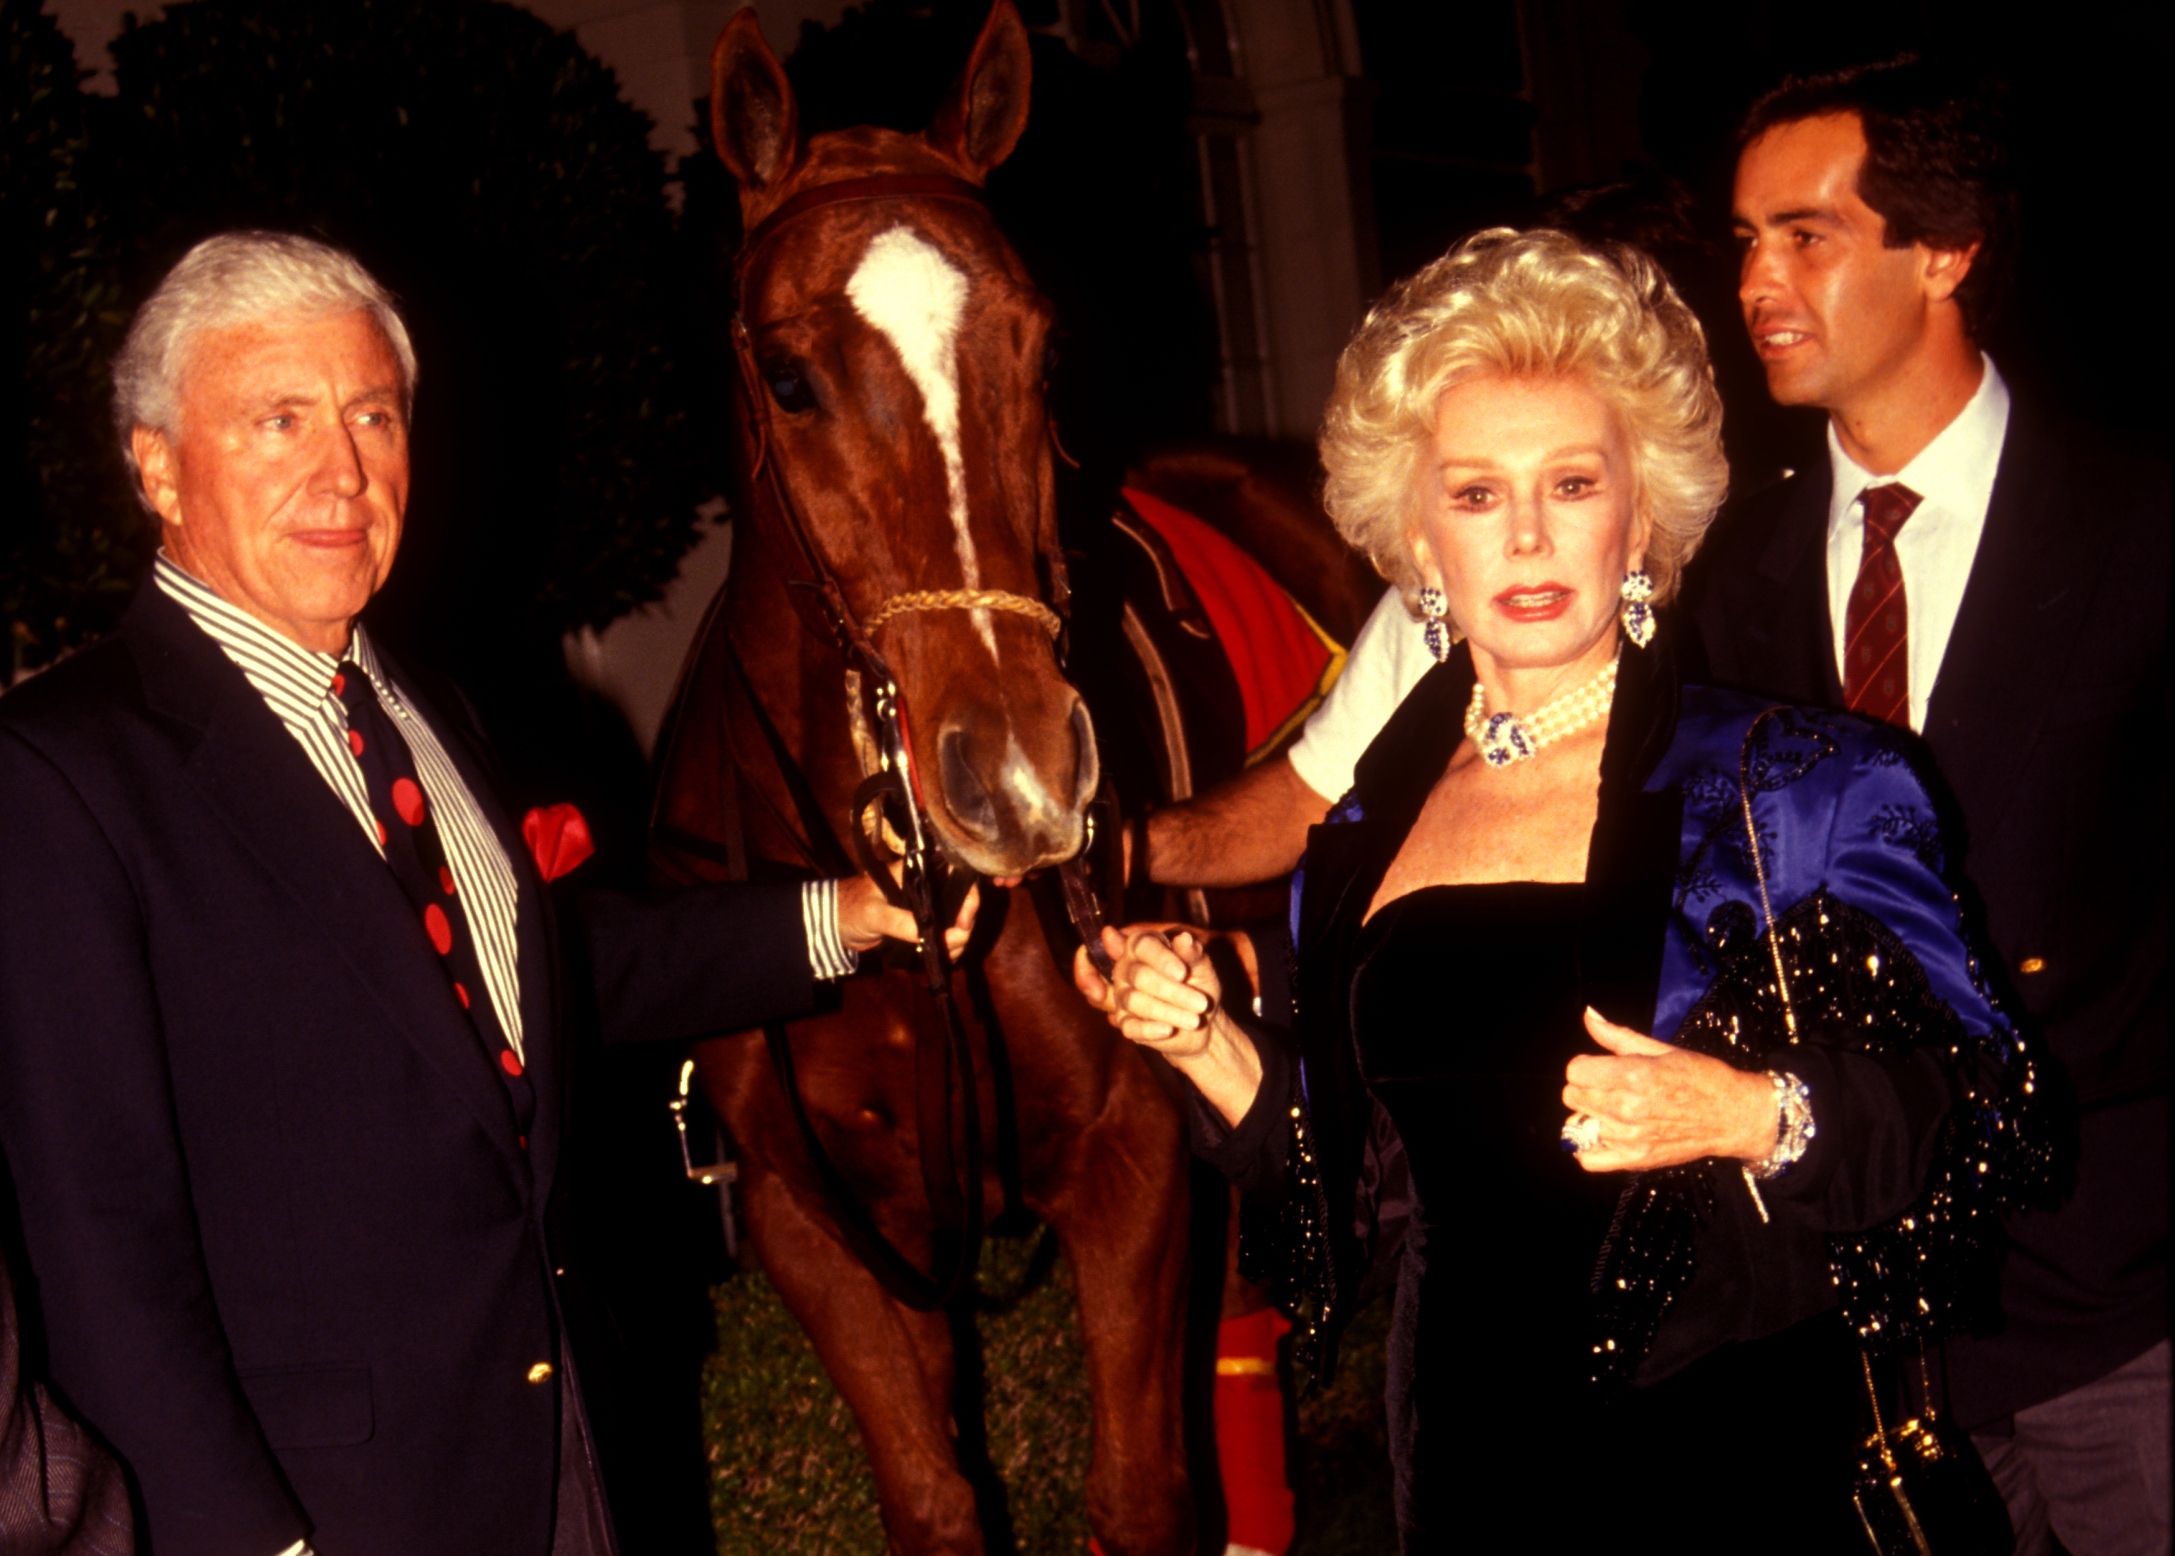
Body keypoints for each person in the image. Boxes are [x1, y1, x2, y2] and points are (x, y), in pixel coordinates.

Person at [1075, 227, 2051, 1552]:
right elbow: (1362, 1190)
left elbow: (1987, 1113)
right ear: (1416, 534)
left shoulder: (1798, 784)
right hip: (1470, 1455)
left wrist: (1757, 1112)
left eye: (1572, 484)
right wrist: (1207, 1048)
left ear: (1640, 514)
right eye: (1474, 495)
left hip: (1729, 1461)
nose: (1526, 536)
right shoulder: (1368, 821)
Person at [0, 231, 970, 1556]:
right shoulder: (61, 769)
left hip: (569, 1452)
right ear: (157, 465)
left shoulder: (430, 703)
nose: (341, 472)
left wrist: (845, 916)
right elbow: (92, 1240)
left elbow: (539, 982)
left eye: (372, 416)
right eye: (279, 419)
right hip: (328, 1514)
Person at [1695, 58, 2167, 1554]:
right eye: (1744, 242)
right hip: (1861, 1324)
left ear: (1943, 251)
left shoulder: (2144, 527)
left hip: (2123, 1303)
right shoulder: (1730, 575)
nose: (1757, 280)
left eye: (1804, 236)